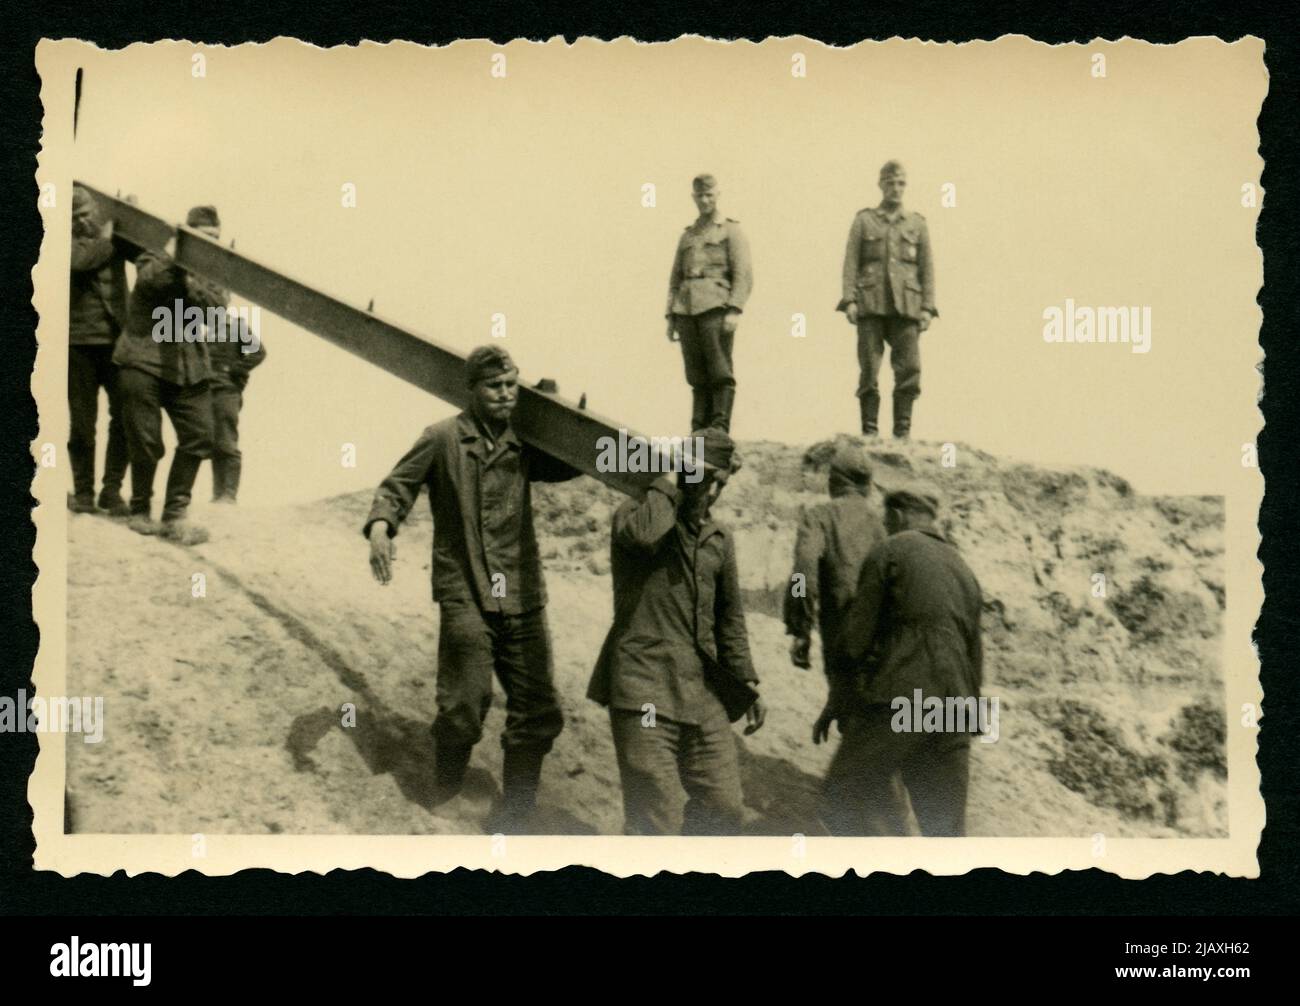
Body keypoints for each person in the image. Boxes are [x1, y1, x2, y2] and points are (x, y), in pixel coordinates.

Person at [365, 345, 580, 831]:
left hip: (522, 593)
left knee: (538, 709)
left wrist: (559, 413)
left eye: (511, 386)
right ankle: (445, 794)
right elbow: (399, 485)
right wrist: (381, 525)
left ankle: (518, 811)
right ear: (473, 390)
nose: (505, 395)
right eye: (494, 387)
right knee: (464, 702)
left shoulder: (525, 442)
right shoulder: (442, 438)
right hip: (465, 588)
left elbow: (573, 461)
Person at [588, 428, 766, 835]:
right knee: (656, 814)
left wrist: (745, 679)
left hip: (701, 693)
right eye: (704, 478)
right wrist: (668, 479)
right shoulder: (638, 514)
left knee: (725, 806)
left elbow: (729, 617)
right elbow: (644, 536)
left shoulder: (719, 538)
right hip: (643, 687)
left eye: (719, 481)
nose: (712, 490)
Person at [819, 485, 983, 836]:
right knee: (946, 831)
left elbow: (853, 641)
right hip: (956, 707)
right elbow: (975, 654)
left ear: (895, 516)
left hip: (902, 696)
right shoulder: (963, 568)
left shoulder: (889, 551)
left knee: (842, 796)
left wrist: (839, 700)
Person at [113, 205, 225, 544]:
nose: (210, 247)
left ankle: (175, 513)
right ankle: (139, 509)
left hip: (188, 367)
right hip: (143, 360)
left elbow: (217, 309)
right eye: (203, 240)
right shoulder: (155, 253)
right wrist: (177, 257)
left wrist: (194, 278)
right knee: (147, 442)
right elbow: (150, 280)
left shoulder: (213, 271)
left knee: (201, 436)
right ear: (187, 237)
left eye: (215, 241)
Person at [837, 161, 937, 439]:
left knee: (910, 369)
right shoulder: (863, 220)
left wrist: (927, 308)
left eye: (901, 183)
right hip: (871, 304)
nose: (896, 189)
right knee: (869, 369)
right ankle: (869, 431)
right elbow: (850, 263)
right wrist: (850, 301)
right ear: (880, 185)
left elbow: (927, 269)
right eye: (890, 183)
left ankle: (902, 432)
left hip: (907, 307)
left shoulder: (917, 223)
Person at [665, 174, 753, 433]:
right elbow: (675, 277)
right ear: (694, 198)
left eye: (709, 195)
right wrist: (670, 316)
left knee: (719, 369)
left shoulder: (730, 231)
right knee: (695, 372)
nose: (704, 200)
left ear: (718, 195)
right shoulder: (688, 236)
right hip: (686, 308)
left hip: (715, 306)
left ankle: (719, 426)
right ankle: (698, 427)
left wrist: (735, 309)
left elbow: (743, 274)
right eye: (700, 196)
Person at [67, 184, 130, 516]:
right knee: (82, 423)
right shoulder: (59, 241)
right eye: (76, 216)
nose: (82, 221)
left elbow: (147, 250)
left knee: (123, 416)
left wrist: (132, 221)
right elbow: (80, 261)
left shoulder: (113, 236)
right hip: (78, 344)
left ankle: (112, 490)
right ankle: (83, 493)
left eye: (86, 213)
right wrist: (108, 238)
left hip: (116, 342)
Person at [206, 305, 266, 503]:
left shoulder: (236, 326)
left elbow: (258, 352)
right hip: (207, 391)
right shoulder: (205, 329)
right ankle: (218, 494)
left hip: (226, 391)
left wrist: (235, 370)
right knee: (214, 442)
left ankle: (229, 495)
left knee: (226, 441)